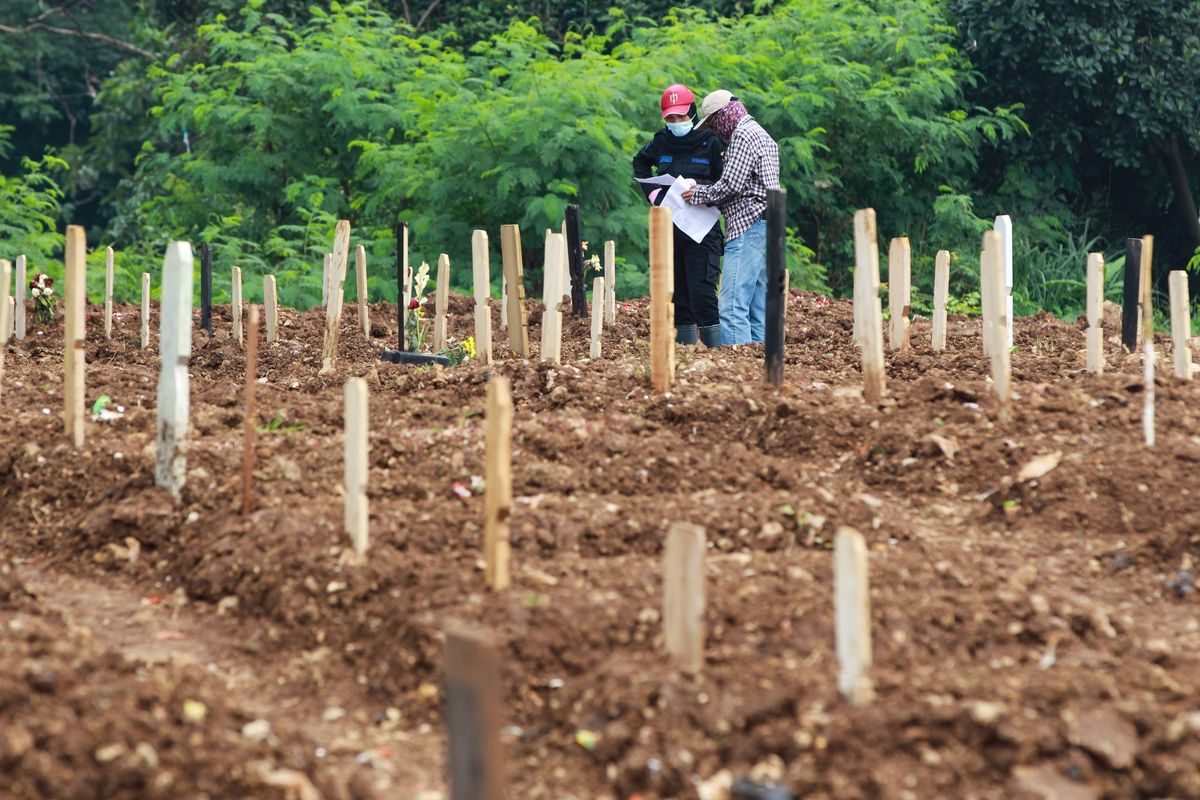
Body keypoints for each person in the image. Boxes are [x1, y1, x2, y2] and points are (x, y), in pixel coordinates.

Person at [683, 90, 780, 345]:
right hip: (767, 226)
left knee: (732, 306)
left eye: (714, 123)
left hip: (747, 226)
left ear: (723, 115)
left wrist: (697, 194)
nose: (715, 131)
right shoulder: (761, 133)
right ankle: (760, 371)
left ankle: (739, 371)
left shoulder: (742, 136)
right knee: (756, 309)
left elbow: (731, 185)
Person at [632, 83, 725, 347]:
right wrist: (654, 196)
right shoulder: (661, 142)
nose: (676, 122)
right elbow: (639, 163)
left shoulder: (712, 142)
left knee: (702, 293)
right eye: (670, 117)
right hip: (671, 230)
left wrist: (703, 191)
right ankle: (685, 353)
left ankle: (715, 352)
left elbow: (726, 183)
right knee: (679, 296)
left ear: (693, 113)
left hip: (703, 230)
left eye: (681, 116)